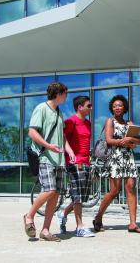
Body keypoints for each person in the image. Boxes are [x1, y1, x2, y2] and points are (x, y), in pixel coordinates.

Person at [23, 82, 75, 242]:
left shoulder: (59, 113)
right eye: (65, 93)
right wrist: (48, 146)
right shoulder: (42, 108)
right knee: (50, 189)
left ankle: (45, 230)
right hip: (45, 157)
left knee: (55, 194)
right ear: (58, 94)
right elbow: (32, 132)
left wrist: (69, 150)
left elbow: (62, 136)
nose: (66, 97)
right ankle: (29, 215)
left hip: (58, 160)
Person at [93, 94, 140, 233]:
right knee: (114, 190)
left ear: (124, 108)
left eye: (120, 105)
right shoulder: (110, 121)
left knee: (131, 188)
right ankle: (98, 217)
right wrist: (124, 141)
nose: (117, 107)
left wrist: (131, 140)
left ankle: (133, 224)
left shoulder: (130, 123)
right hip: (115, 158)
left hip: (128, 158)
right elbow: (109, 140)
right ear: (112, 108)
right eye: (115, 105)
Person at [56, 95, 95, 238]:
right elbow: (62, 138)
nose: (91, 108)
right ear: (80, 107)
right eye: (89, 105)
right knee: (77, 196)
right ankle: (80, 227)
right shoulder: (70, 121)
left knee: (83, 197)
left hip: (86, 162)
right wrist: (70, 152)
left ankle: (63, 214)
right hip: (74, 163)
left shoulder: (89, 123)